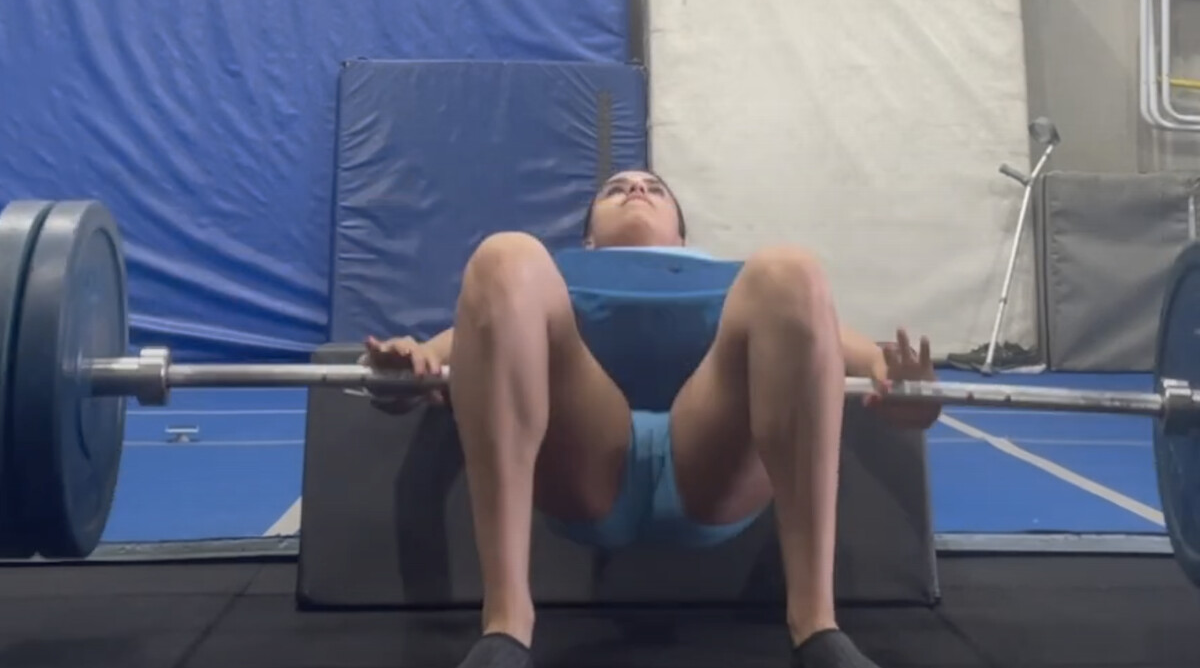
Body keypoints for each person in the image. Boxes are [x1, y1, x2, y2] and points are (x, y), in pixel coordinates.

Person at [362, 169, 942, 668]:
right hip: (587, 462)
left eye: (653, 189)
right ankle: (506, 626)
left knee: (792, 268)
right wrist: (417, 361)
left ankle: (816, 627)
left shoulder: (738, 280)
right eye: (616, 189)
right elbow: (473, 338)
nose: (636, 190)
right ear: (589, 238)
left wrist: (897, 381)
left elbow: (842, 348)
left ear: (682, 237)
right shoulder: (550, 277)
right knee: (504, 255)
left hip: (712, 463)